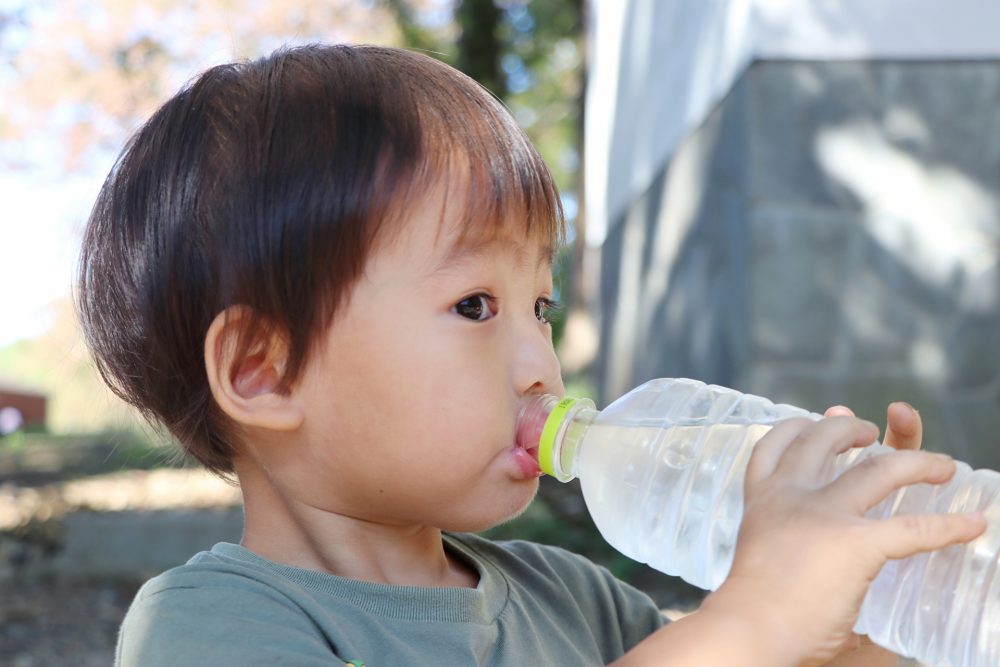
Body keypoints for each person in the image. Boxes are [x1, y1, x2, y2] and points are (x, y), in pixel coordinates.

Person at [76, 43, 985, 667]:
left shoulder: (577, 600)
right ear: (263, 370)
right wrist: (756, 616)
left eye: (541, 307)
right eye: (475, 304)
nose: (541, 366)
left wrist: (863, 619)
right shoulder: (210, 626)